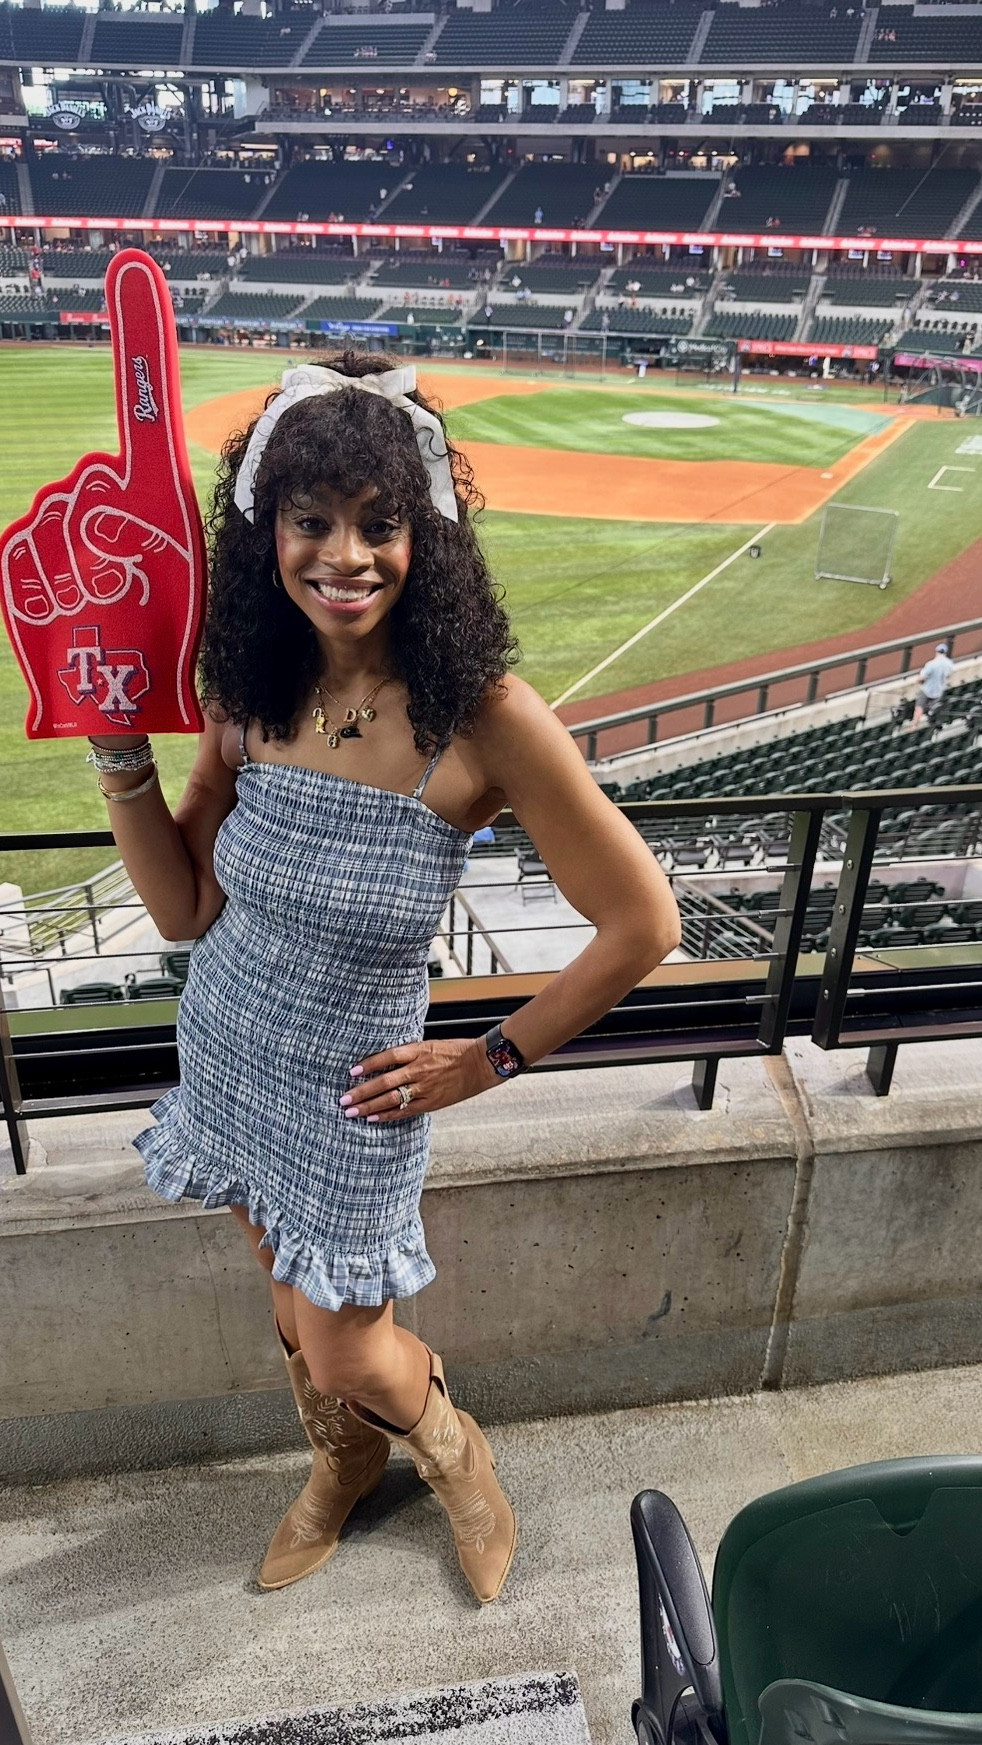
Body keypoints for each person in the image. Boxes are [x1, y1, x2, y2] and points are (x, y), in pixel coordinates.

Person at [86, 353, 680, 1607]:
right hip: (231, 1047)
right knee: (292, 1312)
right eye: (311, 520)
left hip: (360, 1093)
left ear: (426, 534)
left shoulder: (483, 715)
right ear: (268, 531)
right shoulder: (251, 690)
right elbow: (185, 907)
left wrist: (484, 1059)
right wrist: (116, 755)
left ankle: (453, 1453)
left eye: (379, 522)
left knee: (350, 1343)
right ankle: (343, 1464)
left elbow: (641, 922)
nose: (344, 555)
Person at [912, 640, 954, 725]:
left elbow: (922, 677)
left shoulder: (931, 664)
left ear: (936, 651)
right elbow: (948, 675)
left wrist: (916, 680)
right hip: (939, 691)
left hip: (927, 690)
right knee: (933, 709)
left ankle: (914, 724)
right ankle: (930, 725)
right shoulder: (949, 664)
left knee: (919, 707)